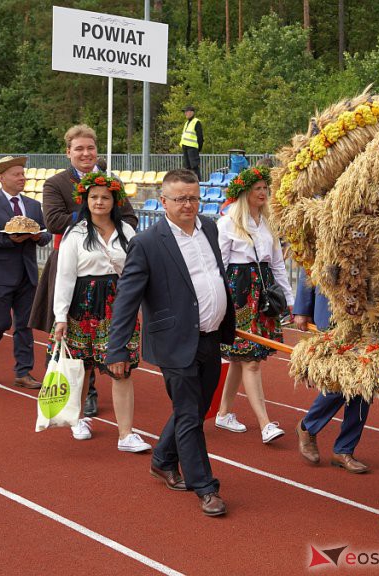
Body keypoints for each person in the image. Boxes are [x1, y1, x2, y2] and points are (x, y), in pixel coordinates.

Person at [106, 168, 236, 517]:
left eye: (193, 197)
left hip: (210, 336)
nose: (189, 205)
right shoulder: (147, 243)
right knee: (191, 416)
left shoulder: (209, 227)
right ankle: (205, 487)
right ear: (163, 201)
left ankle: (162, 459)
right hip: (174, 341)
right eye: (180, 199)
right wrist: (117, 348)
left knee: (193, 409)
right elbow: (126, 300)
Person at [32, 124, 138, 418]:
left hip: (108, 268)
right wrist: (93, 215)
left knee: (109, 336)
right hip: (70, 262)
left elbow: (129, 217)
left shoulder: (111, 181)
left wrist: (108, 218)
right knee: (73, 334)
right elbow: (53, 221)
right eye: (79, 148)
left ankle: (98, 386)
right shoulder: (55, 183)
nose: (85, 153)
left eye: (90, 148)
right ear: (68, 153)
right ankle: (83, 393)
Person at [48, 171, 149, 453]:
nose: (99, 202)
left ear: (115, 201)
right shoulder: (75, 233)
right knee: (82, 366)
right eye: (94, 197)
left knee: (122, 369)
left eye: (105, 197)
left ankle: (126, 434)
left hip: (119, 304)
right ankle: (78, 419)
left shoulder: (127, 232)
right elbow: (65, 278)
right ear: (85, 200)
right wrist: (60, 318)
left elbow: (138, 269)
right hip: (84, 304)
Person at [214, 165, 294, 444]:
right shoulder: (227, 223)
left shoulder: (268, 224)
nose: (262, 193)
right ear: (245, 192)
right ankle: (265, 423)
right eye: (257, 189)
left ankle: (224, 413)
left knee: (242, 358)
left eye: (264, 189)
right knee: (250, 360)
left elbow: (278, 265)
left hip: (263, 292)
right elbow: (219, 267)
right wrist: (219, 302)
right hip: (239, 293)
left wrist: (288, 299)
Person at [0, 156, 50, 388]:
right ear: (2, 177)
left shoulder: (34, 205)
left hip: (28, 274)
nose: (22, 178)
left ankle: (23, 372)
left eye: (23, 174)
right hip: (0, 274)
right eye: (17, 174)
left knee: (25, 325)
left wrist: (37, 236)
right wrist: (9, 238)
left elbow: (47, 233)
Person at [292, 269, 371, 473]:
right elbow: (309, 261)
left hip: (367, 313)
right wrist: (302, 307)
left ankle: (345, 449)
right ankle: (308, 427)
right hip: (332, 310)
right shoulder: (329, 235)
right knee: (340, 379)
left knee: (366, 381)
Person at [180, 105, 204, 181]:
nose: (185, 113)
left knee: (194, 167)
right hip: (185, 147)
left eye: (187, 112)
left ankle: (198, 183)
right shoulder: (187, 123)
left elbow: (200, 137)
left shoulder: (196, 122)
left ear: (192, 112)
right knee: (187, 167)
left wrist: (198, 148)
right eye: (185, 112)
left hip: (192, 148)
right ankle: (189, 183)